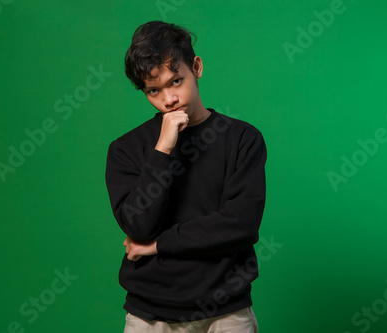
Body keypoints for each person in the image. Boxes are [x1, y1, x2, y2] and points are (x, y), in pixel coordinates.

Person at [105, 20, 267, 333]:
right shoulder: (125, 149)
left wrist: (157, 246)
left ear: (197, 67)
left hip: (226, 312)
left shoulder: (242, 139)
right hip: (150, 315)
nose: (168, 99)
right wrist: (163, 149)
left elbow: (240, 225)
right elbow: (139, 227)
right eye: (154, 90)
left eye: (176, 81)